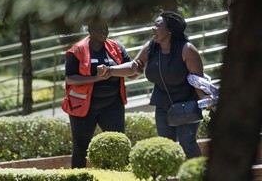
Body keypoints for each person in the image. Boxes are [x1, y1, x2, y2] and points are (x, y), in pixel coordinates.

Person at [98, 11, 212, 158]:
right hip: (162, 105)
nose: (153, 28)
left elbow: (198, 80)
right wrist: (110, 71)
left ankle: (196, 175)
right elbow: (134, 69)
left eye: (158, 25)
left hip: (186, 105)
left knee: (187, 143)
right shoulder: (150, 47)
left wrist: (206, 98)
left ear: (169, 30)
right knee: (165, 145)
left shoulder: (187, 49)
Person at [64, 18, 135, 168]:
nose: (103, 31)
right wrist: (96, 77)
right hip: (84, 107)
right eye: (99, 28)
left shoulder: (116, 47)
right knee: (81, 147)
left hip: (112, 104)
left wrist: (111, 71)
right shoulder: (77, 50)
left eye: (105, 28)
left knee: (118, 143)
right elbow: (70, 78)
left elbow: (130, 67)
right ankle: (78, 177)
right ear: (89, 31)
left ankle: (120, 175)